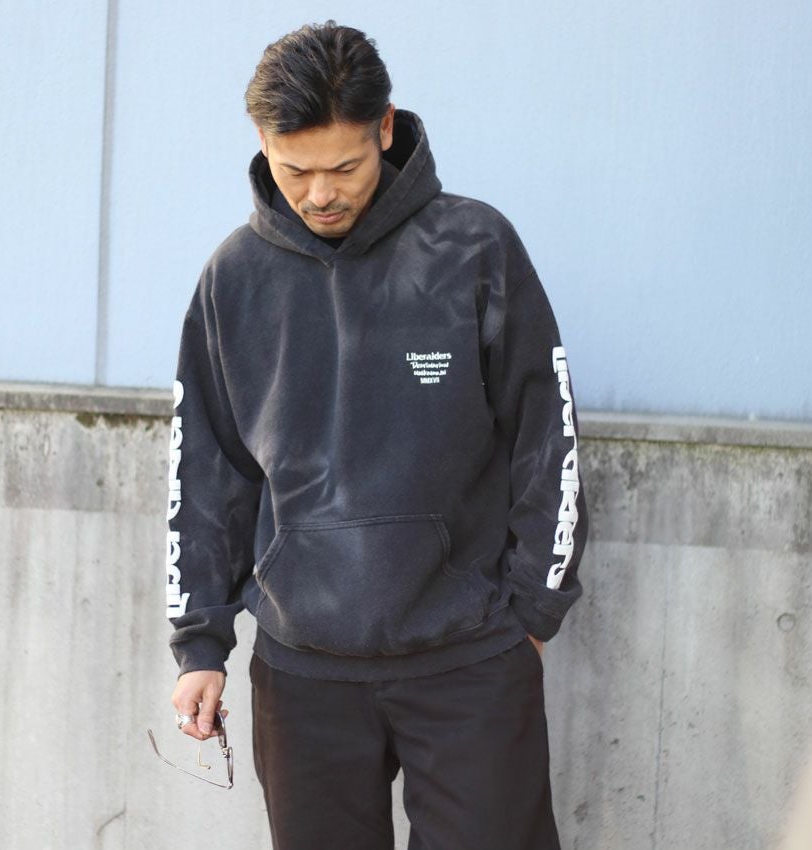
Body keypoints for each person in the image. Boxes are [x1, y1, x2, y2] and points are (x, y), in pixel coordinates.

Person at [164, 19, 588, 850]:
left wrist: (532, 614)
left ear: (384, 129)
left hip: (467, 659)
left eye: (344, 168)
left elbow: (549, 439)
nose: (320, 193)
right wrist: (201, 644)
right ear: (262, 142)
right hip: (303, 672)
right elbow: (205, 474)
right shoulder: (234, 279)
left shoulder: (474, 248)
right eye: (295, 171)